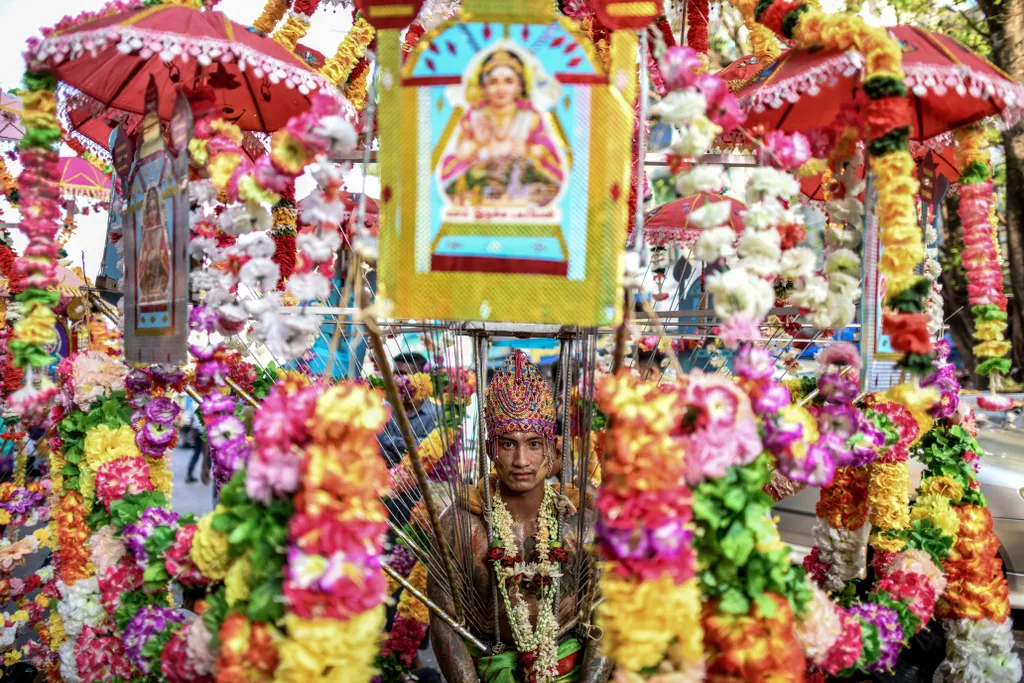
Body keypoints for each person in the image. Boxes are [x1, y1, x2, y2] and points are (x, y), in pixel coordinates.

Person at [429, 350, 610, 683]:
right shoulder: (461, 525)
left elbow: (609, 613)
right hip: (488, 667)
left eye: (534, 444)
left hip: (570, 667)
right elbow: (444, 622)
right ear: (490, 449)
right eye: (508, 444)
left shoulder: (581, 522)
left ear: (553, 450)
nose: (522, 460)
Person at [439, 49, 566, 208]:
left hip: (520, 177)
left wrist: (528, 150)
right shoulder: (474, 116)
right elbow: (460, 154)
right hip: (482, 178)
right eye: (493, 82)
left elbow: (546, 150)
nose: (501, 88)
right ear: (484, 87)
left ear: (519, 85)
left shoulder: (530, 116)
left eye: (508, 81)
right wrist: (477, 144)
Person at [379, 352, 439, 526]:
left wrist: (394, 442)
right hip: (387, 490)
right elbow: (381, 446)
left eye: (403, 375)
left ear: (421, 379)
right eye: (395, 374)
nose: (397, 380)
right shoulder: (386, 410)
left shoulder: (437, 414)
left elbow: (431, 455)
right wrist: (417, 444)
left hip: (422, 494)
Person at [138, 186, 172, 308]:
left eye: (154, 209)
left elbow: (163, 252)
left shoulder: (161, 230)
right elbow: (143, 256)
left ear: (158, 210)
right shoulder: (146, 232)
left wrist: (157, 253)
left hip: (160, 272)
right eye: (149, 210)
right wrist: (148, 255)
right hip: (148, 276)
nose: (152, 213)